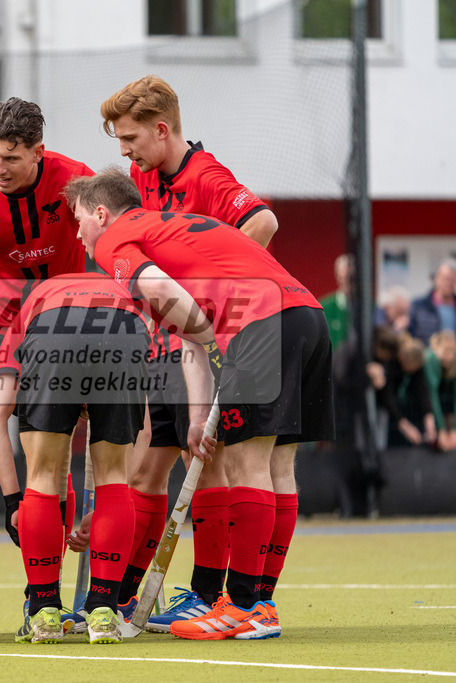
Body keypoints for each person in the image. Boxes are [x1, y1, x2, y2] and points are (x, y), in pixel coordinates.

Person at [66, 167, 333, 641]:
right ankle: (260, 602)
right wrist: (197, 415)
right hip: (306, 315)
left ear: (101, 213)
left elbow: (172, 303)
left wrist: (221, 342)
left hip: (261, 324)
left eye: (80, 219)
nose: (79, 232)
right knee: (276, 464)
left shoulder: (116, 240)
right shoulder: (168, 229)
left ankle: (245, 607)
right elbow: (188, 337)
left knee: (248, 463)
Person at [97, 74, 281, 633]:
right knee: (168, 457)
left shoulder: (207, 175)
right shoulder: (140, 175)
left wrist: (214, 292)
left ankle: (210, 592)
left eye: (130, 138)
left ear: (161, 129)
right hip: (168, 341)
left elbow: (263, 220)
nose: (124, 151)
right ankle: (169, 592)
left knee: (212, 458)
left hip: (208, 338)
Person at [0, 97, 94, 624]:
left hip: (62, 328)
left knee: (49, 448)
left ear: (39, 151)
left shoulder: (78, 182)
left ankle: (44, 594)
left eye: (10, 157)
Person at [0, 272, 150, 644]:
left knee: (41, 476)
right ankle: (104, 611)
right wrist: (114, 498)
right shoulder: (127, 299)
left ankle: (44, 612)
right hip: (124, 329)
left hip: (53, 327)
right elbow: (146, 431)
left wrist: (13, 501)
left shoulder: (26, 314)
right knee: (113, 478)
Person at [409, 259, 456, 345]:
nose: (448, 283)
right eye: (445, 278)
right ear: (436, 279)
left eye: (452, 279)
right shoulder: (419, 306)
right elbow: (411, 336)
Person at [425, 330, 456, 452]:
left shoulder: (453, 364)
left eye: (451, 351)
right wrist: (441, 430)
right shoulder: (430, 357)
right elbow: (432, 395)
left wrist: (454, 430)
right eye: (446, 351)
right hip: (428, 410)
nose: (449, 357)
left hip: (447, 409)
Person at [320, 254, 355, 351]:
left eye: (351, 278)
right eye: (344, 277)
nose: (348, 282)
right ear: (337, 277)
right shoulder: (324, 308)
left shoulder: (369, 308)